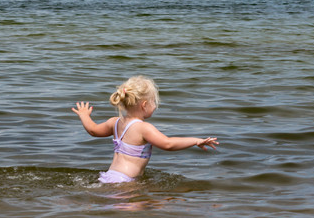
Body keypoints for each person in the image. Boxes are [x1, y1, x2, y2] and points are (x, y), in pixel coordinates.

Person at [72, 76, 219, 184]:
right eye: (154, 102)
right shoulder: (143, 128)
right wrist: (196, 140)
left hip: (109, 177)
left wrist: (84, 116)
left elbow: (93, 130)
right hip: (125, 182)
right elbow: (168, 144)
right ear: (144, 105)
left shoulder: (115, 122)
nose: (155, 106)